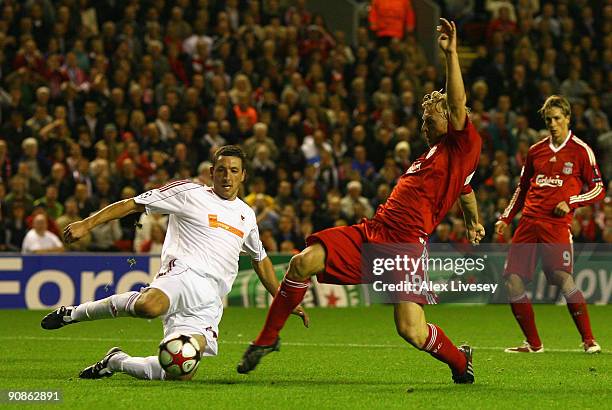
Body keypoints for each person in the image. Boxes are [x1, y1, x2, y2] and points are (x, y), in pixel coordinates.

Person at [237, 19, 484, 384]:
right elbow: (465, 189)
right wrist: (473, 221)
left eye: (429, 117)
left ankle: (460, 362)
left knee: (411, 331)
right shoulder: (437, 156)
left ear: (450, 118)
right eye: (422, 118)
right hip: (373, 232)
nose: (423, 123)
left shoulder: (462, 143)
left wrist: (449, 55)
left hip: (405, 245)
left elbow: (458, 101)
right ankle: (267, 339)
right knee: (302, 262)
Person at [40, 145, 308, 381]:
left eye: (234, 171)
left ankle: (116, 361)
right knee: (148, 306)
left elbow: (260, 259)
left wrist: (283, 299)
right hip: (182, 273)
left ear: (243, 175)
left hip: (210, 300)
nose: (227, 176)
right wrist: (88, 223)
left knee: (180, 371)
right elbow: (134, 203)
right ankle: (73, 313)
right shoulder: (189, 193)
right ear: (212, 171)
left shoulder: (246, 215)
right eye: (222, 170)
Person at [495, 95, 605, 354]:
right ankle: (533, 344)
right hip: (528, 222)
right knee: (512, 281)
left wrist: (572, 201)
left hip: (555, 225)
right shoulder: (535, 151)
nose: (553, 124)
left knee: (562, 277)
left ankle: (589, 340)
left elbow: (599, 188)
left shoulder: (581, 150)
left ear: (568, 118)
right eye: (548, 120)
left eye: (557, 118)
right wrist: (505, 218)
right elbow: (522, 189)